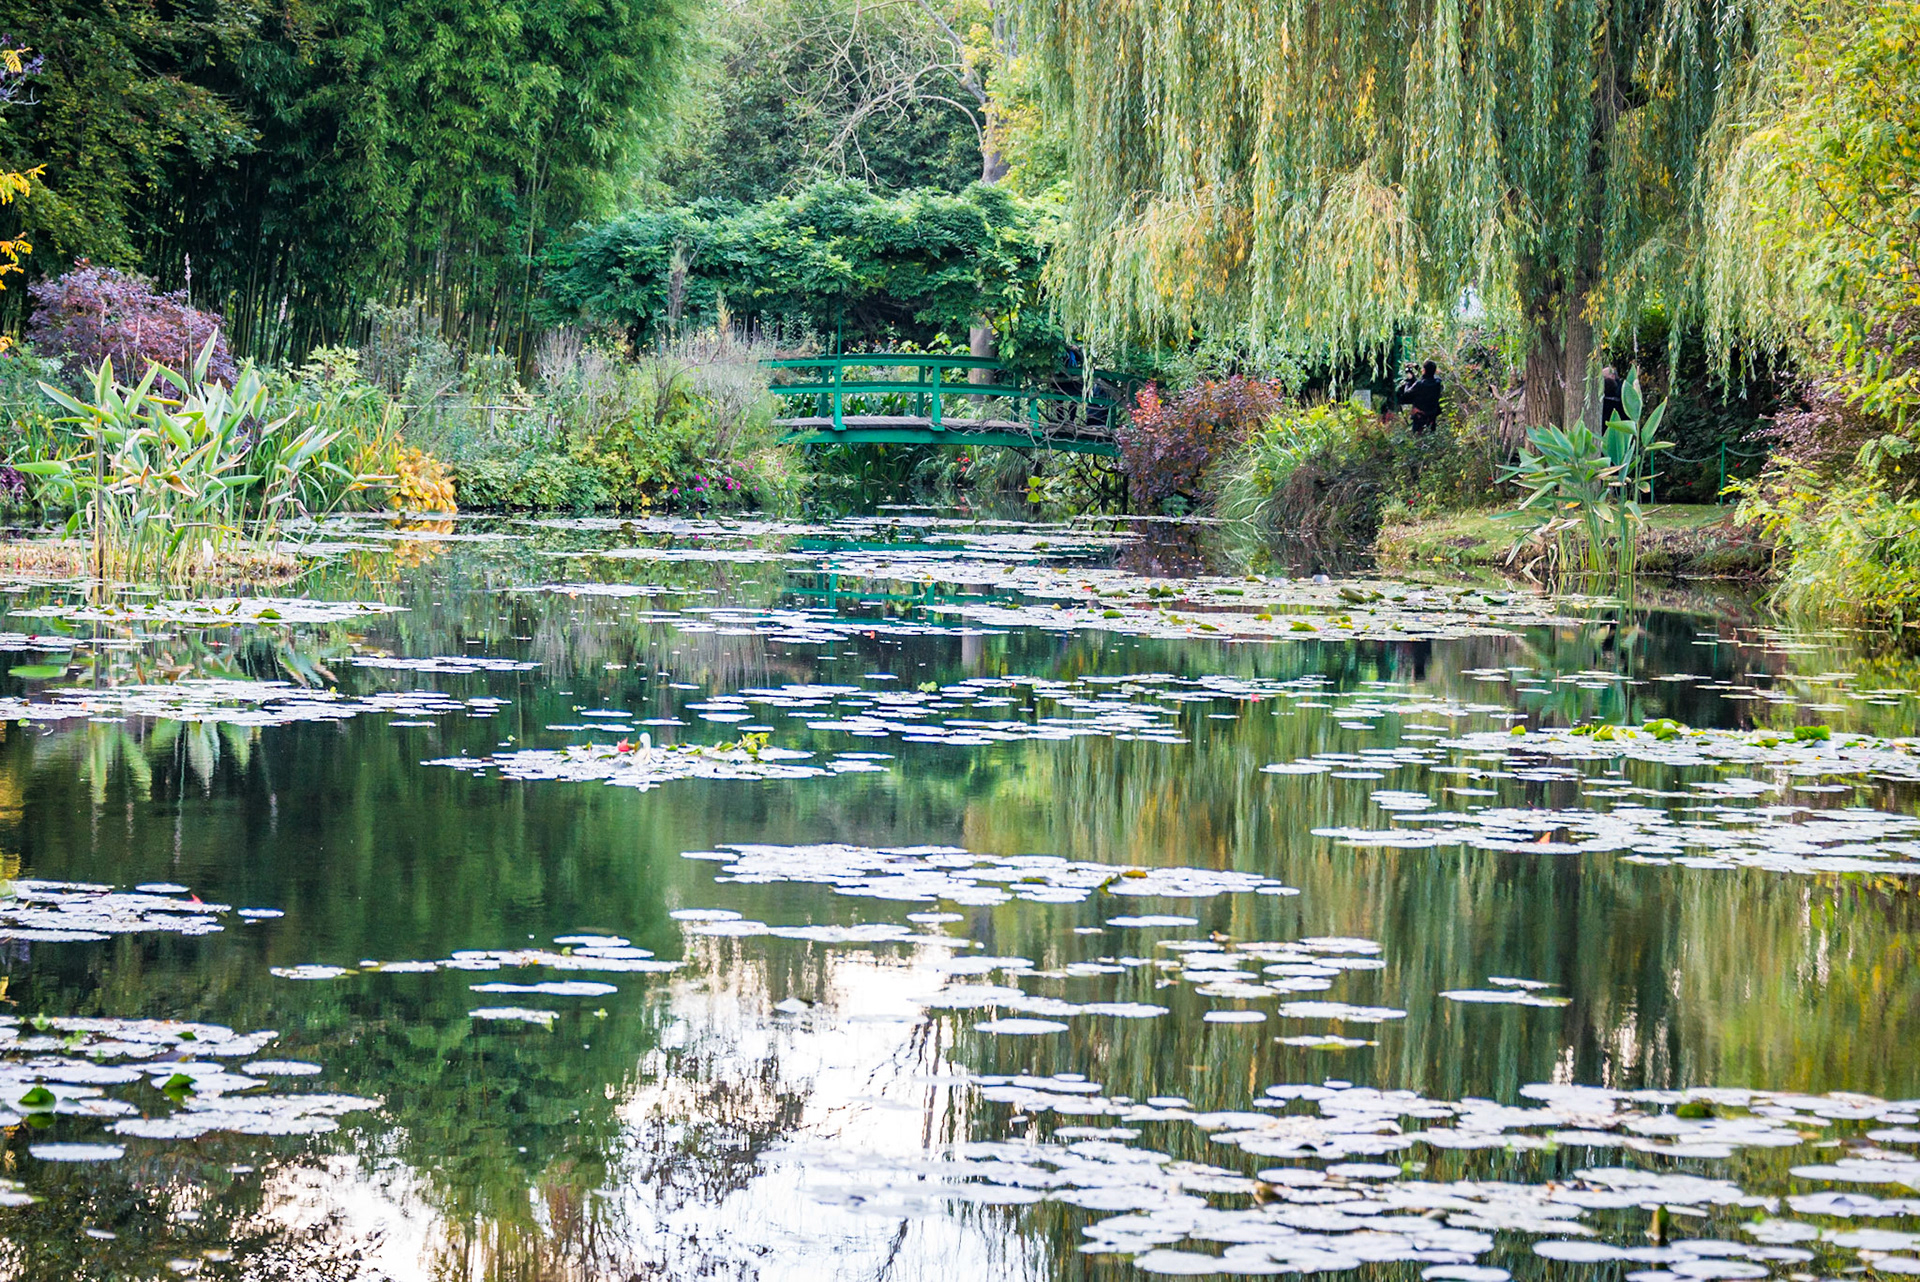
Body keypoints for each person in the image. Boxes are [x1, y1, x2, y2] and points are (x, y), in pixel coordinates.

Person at [1399, 360, 1443, 432]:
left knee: (1419, 438)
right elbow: (1431, 376)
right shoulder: (1437, 382)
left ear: (1424, 370)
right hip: (1432, 416)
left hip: (1420, 418)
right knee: (1430, 436)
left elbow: (1406, 394)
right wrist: (1416, 366)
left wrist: (1410, 380)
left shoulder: (1419, 385)